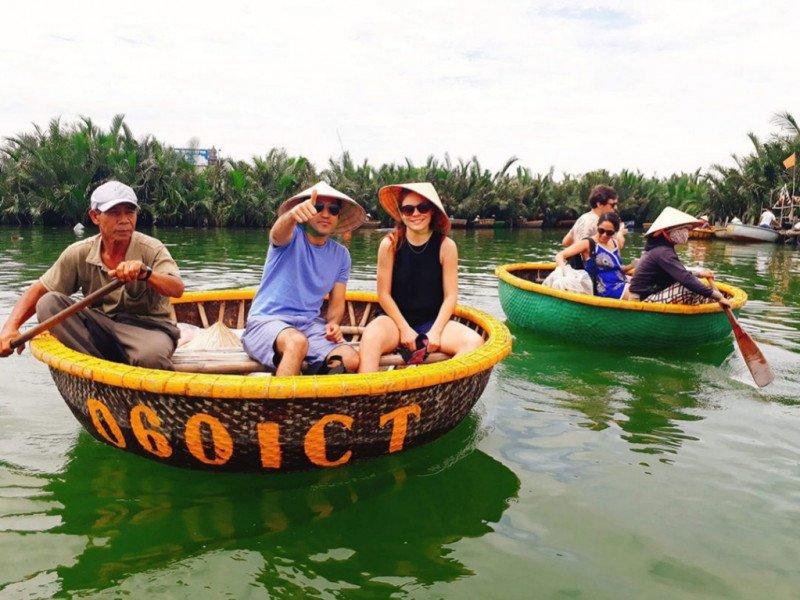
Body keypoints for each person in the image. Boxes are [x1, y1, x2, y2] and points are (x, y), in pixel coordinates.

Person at [0, 181, 185, 368]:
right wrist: (10, 328)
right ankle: (100, 363)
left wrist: (146, 274)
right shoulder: (80, 252)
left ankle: (116, 361)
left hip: (148, 328)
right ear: (95, 216)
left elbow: (177, 288)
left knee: (151, 358)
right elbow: (40, 289)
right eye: (114, 213)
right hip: (101, 326)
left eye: (130, 212)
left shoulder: (151, 248)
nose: (124, 220)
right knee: (48, 303)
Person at [242, 182, 366, 376]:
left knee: (349, 359)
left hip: (309, 326)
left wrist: (333, 324)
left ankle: (309, 397)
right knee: (296, 343)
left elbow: (336, 302)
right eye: (317, 207)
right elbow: (276, 233)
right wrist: (291, 216)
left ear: (338, 216)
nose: (325, 214)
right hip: (267, 321)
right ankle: (281, 404)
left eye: (333, 209)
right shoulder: (290, 238)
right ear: (306, 212)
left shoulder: (341, 256)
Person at [358, 182, 484, 373]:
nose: (416, 214)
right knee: (370, 337)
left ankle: (433, 387)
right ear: (401, 214)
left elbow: (451, 296)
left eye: (422, 207)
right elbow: (383, 294)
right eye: (408, 209)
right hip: (393, 321)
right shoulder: (389, 244)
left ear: (432, 211)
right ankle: (366, 398)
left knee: (474, 342)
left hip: (431, 321)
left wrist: (435, 331)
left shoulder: (446, 246)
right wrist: (405, 329)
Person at [627, 207, 731, 307]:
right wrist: (719, 297)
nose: (685, 233)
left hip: (649, 295)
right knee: (689, 287)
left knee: (696, 286)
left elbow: (677, 271)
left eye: (686, 229)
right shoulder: (662, 252)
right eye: (682, 229)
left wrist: (700, 273)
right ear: (665, 232)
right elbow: (685, 278)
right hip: (640, 301)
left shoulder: (660, 249)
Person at [555, 212, 627, 299]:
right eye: (601, 230)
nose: (604, 235)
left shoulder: (615, 243)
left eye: (609, 233)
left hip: (621, 281)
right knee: (636, 292)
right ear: (597, 226)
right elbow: (560, 255)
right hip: (604, 289)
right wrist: (566, 272)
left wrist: (633, 266)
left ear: (614, 232)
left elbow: (618, 268)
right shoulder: (588, 243)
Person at [562, 185, 625, 269]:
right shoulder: (602, 225)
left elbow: (565, 242)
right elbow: (616, 248)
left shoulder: (582, 218)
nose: (615, 208)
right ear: (599, 204)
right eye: (612, 204)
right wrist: (620, 232)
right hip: (590, 271)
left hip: (577, 266)